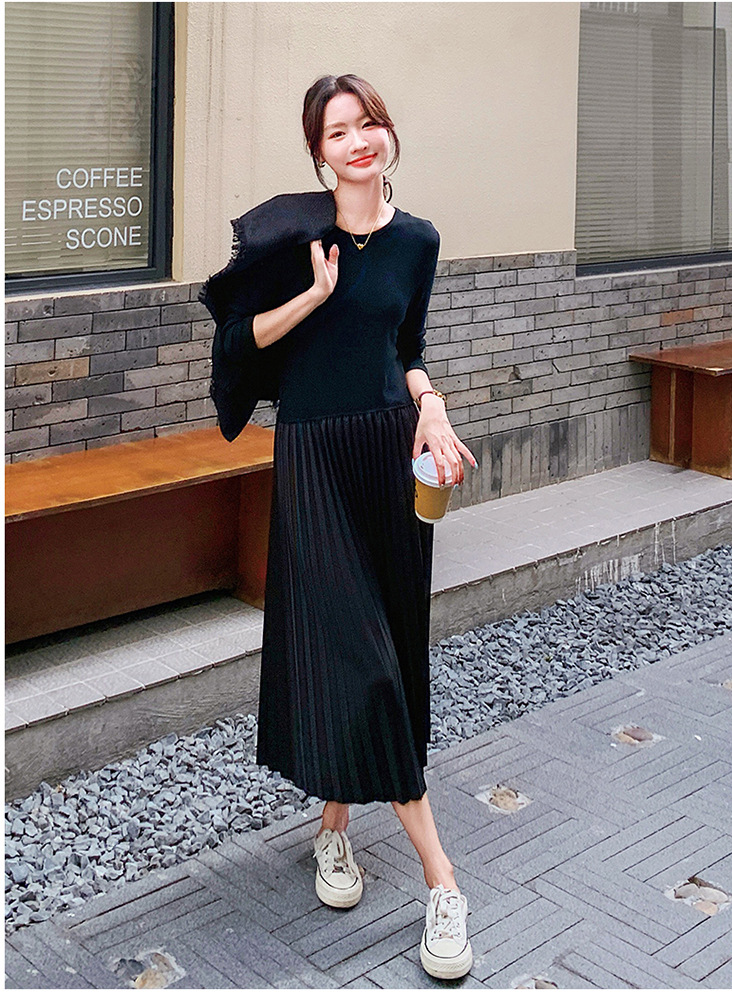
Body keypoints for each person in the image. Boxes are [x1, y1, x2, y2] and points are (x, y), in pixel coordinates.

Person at [203, 73, 477, 981]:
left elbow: (407, 348)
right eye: (337, 132)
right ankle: (442, 880)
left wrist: (432, 406)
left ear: (386, 133)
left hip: (388, 456)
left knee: (392, 646)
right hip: (315, 458)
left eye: (368, 124)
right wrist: (312, 297)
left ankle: (332, 828)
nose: (358, 141)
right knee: (360, 659)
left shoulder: (419, 240)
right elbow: (238, 344)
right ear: (318, 153)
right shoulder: (294, 238)